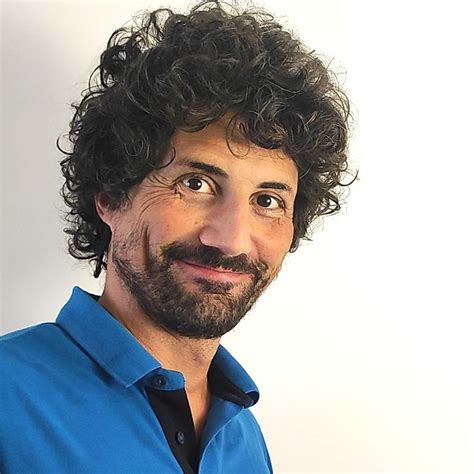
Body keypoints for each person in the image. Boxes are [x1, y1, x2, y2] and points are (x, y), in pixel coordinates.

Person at [0, 1, 354, 472]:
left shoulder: (243, 435)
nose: (231, 240)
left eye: (267, 200)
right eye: (196, 184)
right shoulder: (8, 396)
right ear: (110, 196)